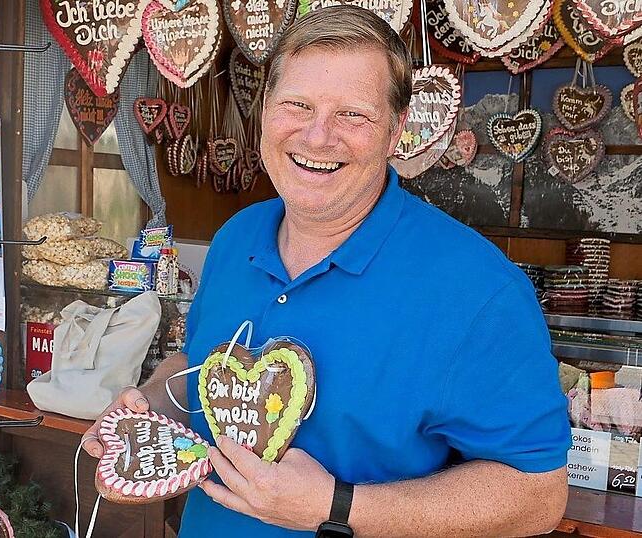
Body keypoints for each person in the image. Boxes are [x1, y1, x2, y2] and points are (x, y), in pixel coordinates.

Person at [83, 5, 570, 537]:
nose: (317, 137)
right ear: (265, 110)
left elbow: (538, 495)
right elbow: (195, 361)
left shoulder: (479, 289)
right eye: (297, 105)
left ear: (395, 130)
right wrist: (151, 406)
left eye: (352, 115)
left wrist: (337, 507)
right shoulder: (237, 237)